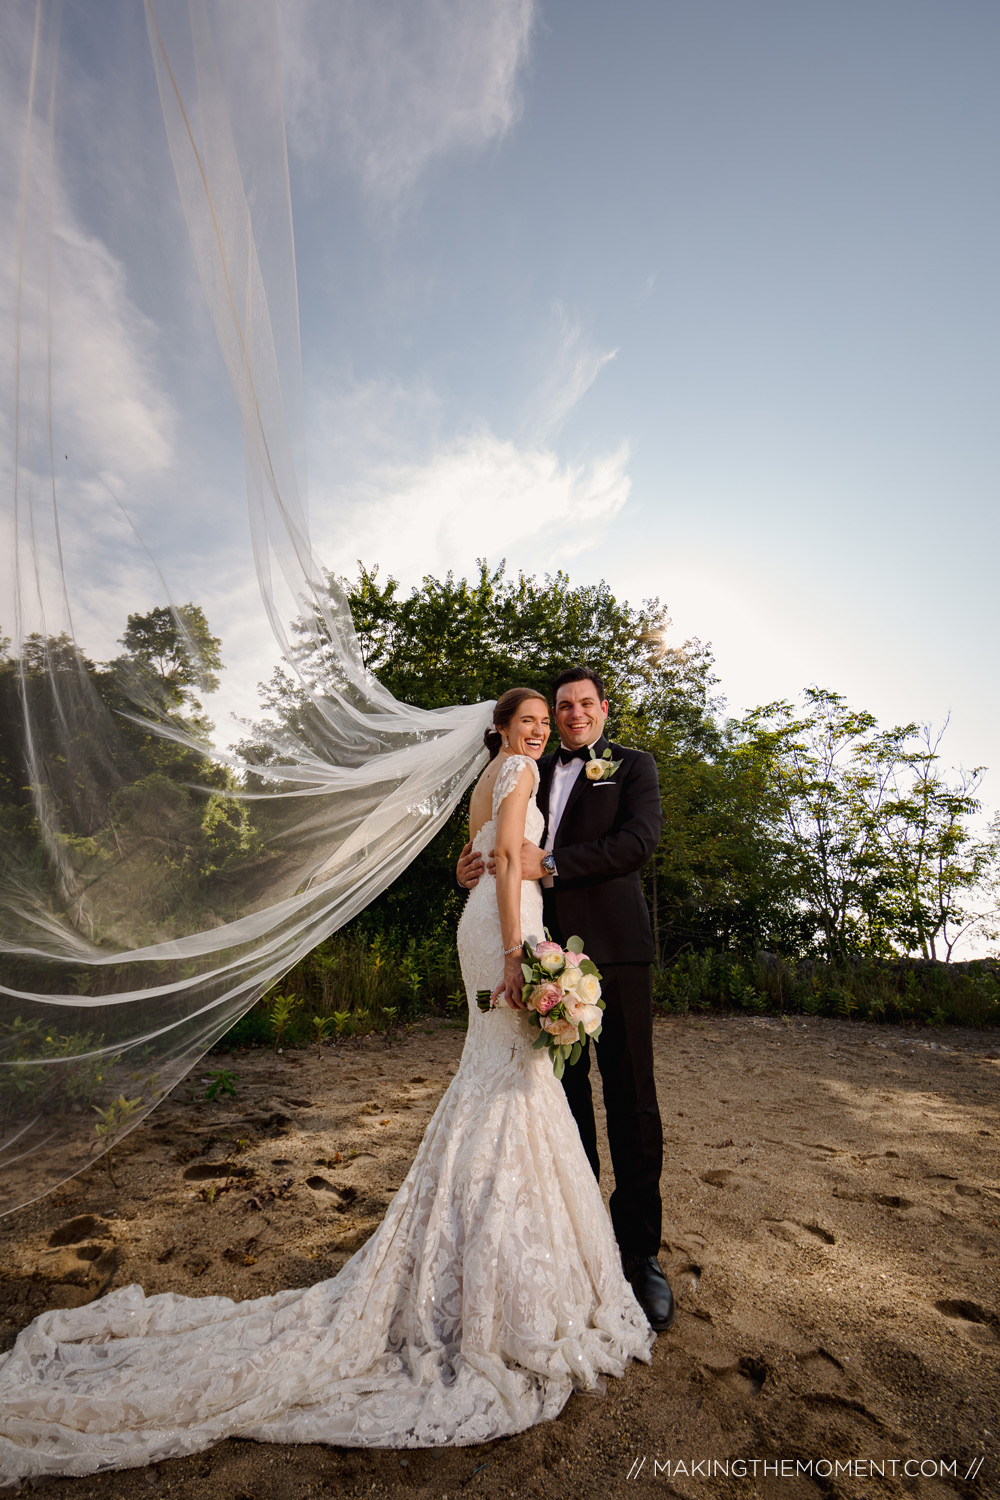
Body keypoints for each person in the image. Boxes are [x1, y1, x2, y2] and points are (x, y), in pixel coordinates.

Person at [0, 686, 652, 1487]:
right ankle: (512, 1275)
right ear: (502, 728)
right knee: (515, 1082)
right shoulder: (520, 768)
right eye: (531, 720)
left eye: (548, 723)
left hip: (495, 918)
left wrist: (483, 885)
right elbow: (512, 858)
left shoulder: (499, 774)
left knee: (504, 1077)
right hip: (512, 928)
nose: (541, 730)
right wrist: (521, 953)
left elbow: (476, 860)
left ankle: (501, 1248)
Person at [457, 666, 673, 1331]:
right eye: (560, 707)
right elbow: (497, 840)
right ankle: (583, 1240)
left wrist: (549, 864)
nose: (572, 716)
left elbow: (638, 842)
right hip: (546, 949)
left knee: (631, 1097)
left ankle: (639, 1254)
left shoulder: (632, 766)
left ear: (603, 710)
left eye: (583, 705)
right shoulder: (527, 765)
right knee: (564, 1099)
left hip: (616, 949)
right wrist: (468, 866)